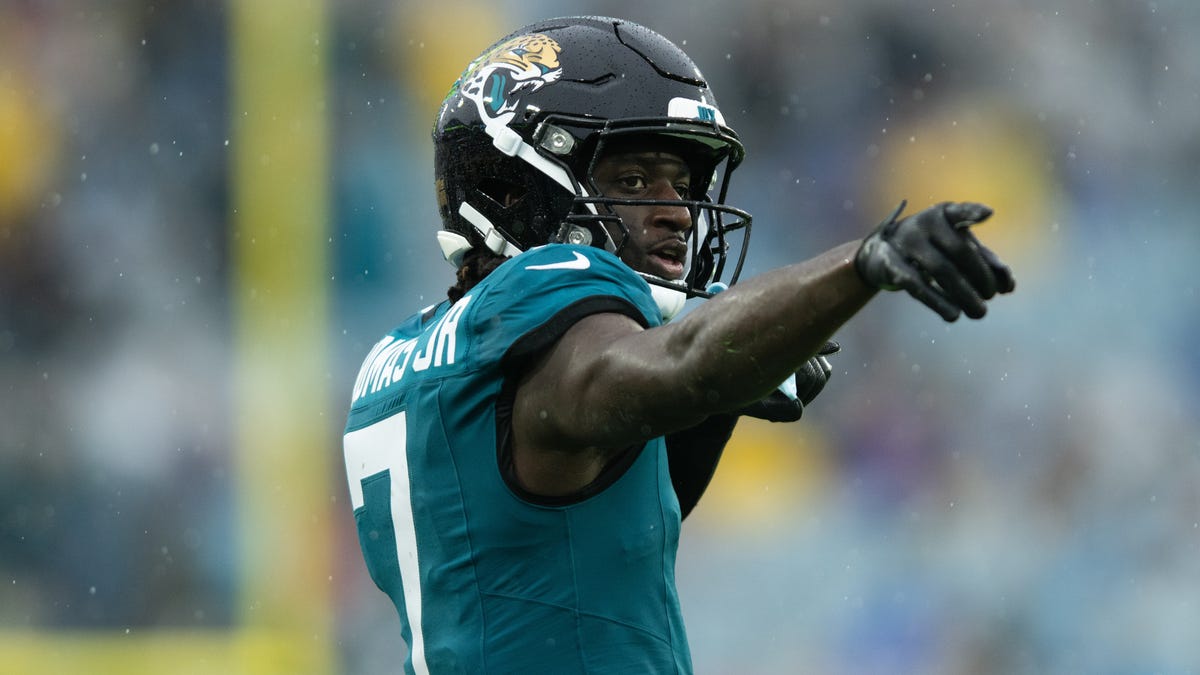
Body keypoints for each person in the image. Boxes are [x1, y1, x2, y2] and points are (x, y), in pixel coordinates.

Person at [342, 15, 1014, 674]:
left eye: (685, 187)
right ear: (512, 187)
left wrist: (724, 390)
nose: (677, 213)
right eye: (634, 182)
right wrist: (861, 264)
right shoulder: (541, 293)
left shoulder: (400, 358)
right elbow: (682, 363)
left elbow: (592, 540)